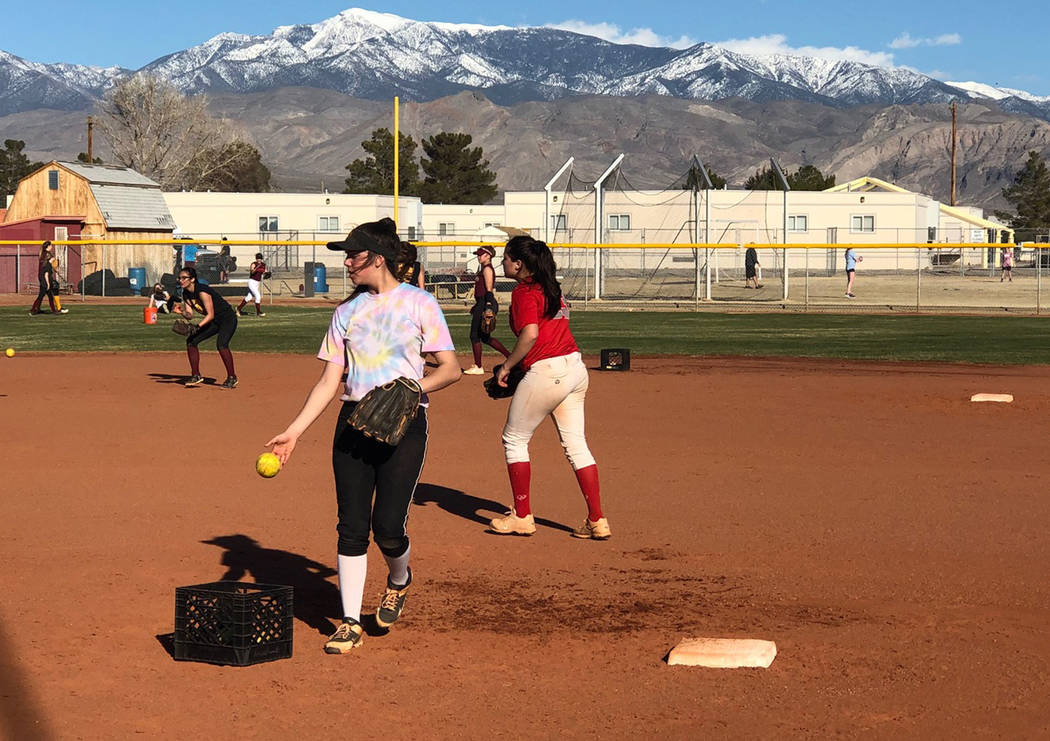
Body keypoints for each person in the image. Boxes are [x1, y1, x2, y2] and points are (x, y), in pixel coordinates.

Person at [265, 217, 461, 655]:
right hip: (353, 424)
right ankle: (350, 621)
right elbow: (328, 381)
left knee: (388, 528)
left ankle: (398, 578)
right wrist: (293, 432)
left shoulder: (419, 303)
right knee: (351, 527)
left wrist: (412, 388)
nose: (347, 262)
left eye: (353, 254)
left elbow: (450, 369)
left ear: (376, 258)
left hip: (403, 424)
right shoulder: (345, 313)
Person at [488, 235, 610, 540]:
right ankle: (597, 520)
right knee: (576, 446)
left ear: (518, 264)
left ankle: (522, 516)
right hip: (575, 369)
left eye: (506, 258)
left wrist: (507, 366)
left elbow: (529, 335)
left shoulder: (524, 292)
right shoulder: (552, 288)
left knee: (514, 439)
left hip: (548, 372)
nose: (503, 262)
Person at [173, 266, 239, 388]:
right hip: (214, 321)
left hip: (227, 319)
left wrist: (197, 327)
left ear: (192, 279)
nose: (180, 280)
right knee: (191, 341)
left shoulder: (202, 291)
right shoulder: (186, 294)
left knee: (222, 344)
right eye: (179, 278)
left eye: (184, 278)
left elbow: (210, 314)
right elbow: (189, 315)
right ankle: (196, 375)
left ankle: (232, 377)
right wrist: (181, 312)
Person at [463, 246, 510, 374]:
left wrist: (488, 306)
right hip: (482, 303)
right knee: (485, 337)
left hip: (486, 303)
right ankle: (510, 357)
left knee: (474, 335)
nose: (478, 257)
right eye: (478, 255)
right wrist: (477, 305)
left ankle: (478, 366)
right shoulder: (483, 268)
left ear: (488, 256)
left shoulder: (487, 269)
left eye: (481, 255)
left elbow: (489, 290)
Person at [29, 241, 67, 315]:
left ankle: (44, 310)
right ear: (48, 246)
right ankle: (34, 309)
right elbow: (46, 273)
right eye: (50, 246)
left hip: (43, 278)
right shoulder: (47, 260)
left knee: (48, 296)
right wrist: (48, 283)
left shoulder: (44, 256)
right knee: (41, 296)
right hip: (45, 280)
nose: (51, 247)